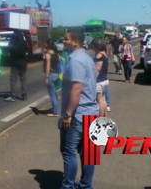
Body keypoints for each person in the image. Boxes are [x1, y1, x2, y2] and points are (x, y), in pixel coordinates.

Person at [60, 30, 99, 189]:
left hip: (78, 114)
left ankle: (68, 186)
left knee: (69, 152)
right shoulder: (87, 58)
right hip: (91, 111)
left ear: (75, 42)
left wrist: (68, 113)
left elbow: (77, 88)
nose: (63, 42)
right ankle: (85, 185)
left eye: (66, 39)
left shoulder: (75, 60)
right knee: (88, 152)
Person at [5, 31, 28, 102]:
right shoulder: (24, 42)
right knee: (23, 80)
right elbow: (27, 51)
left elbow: (8, 53)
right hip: (23, 64)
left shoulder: (12, 42)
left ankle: (13, 95)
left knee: (13, 80)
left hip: (15, 63)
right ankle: (25, 95)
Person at [91, 39, 109, 117]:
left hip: (99, 81)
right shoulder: (104, 54)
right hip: (105, 80)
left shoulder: (99, 55)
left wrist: (92, 80)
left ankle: (100, 117)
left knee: (99, 101)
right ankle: (104, 116)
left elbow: (97, 70)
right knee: (103, 100)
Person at [43, 38, 60, 117]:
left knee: (52, 94)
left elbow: (48, 66)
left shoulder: (48, 55)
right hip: (56, 74)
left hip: (51, 75)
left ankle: (55, 112)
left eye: (46, 43)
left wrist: (46, 77)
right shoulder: (57, 54)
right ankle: (55, 109)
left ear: (48, 45)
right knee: (54, 93)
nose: (44, 45)